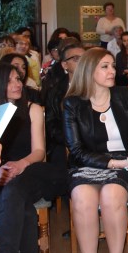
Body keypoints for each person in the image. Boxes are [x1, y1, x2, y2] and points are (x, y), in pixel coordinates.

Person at [63, 48, 128, 253]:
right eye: (105, 66)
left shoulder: (125, 95)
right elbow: (76, 151)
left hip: (127, 162)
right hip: (88, 165)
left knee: (111, 196)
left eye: (112, 65)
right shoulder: (73, 103)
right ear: (89, 71)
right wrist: (113, 164)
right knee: (82, 199)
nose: (112, 70)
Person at [0, 63, 67, 253]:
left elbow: (39, 152)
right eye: (9, 80)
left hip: (29, 173)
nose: (17, 84)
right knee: (21, 207)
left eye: (18, 78)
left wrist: (20, 165)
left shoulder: (32, 109)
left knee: (15, 189)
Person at [43, 39, 84, 167]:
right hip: (64, 142)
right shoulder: (56, 91)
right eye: (76, 59)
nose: (82, 63)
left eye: (85, 59)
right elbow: (51, 124)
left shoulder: (97, 87)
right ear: (65, 65)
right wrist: (71, 139)